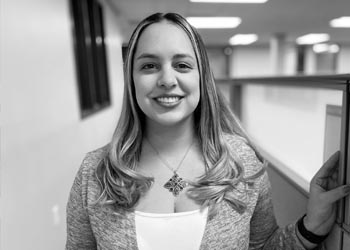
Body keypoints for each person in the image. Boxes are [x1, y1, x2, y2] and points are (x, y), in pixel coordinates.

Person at [66, 12, 350, 250]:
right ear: (132, 80)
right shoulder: (95, 172)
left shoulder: (240, 161)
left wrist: (311, 226)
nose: (167, 79)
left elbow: (263, 246)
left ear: (201, 77)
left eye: (182, 65)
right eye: (149, 66)